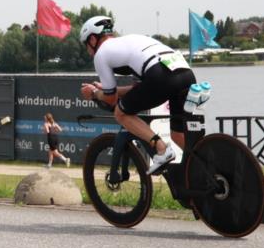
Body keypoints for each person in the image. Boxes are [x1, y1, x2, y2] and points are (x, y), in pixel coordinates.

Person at [78, 15, 197, 174]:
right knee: (178, 135)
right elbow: (139, 89)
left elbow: (111, 100)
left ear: (93, 40)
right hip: (185, 72)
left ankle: (162, 149)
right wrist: (105, 90)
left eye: (86, 45)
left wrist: (94, 93)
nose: (88, 51)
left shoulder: (101, 54)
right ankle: (207, 164)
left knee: (121, 113)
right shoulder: (131, 40)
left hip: (161, 76)